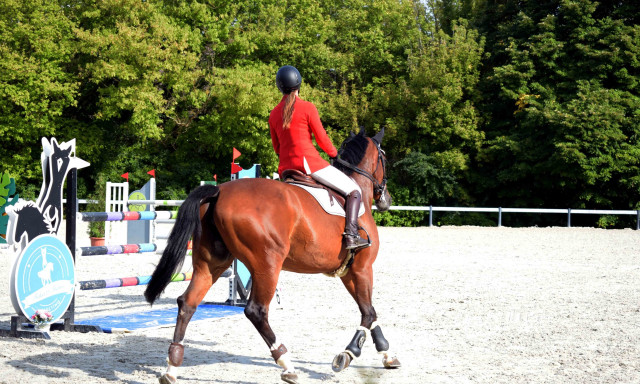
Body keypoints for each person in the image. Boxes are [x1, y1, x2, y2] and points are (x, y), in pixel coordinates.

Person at [268, 65, 369, 250]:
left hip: (286, 168)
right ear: (299, 84)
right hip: (309, 165)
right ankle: (352, 235)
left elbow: (277, 147)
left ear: (279, 87)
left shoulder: (273, 114)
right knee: (354, 190)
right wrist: (334, 155)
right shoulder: (307, 107)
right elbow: (322, 138)